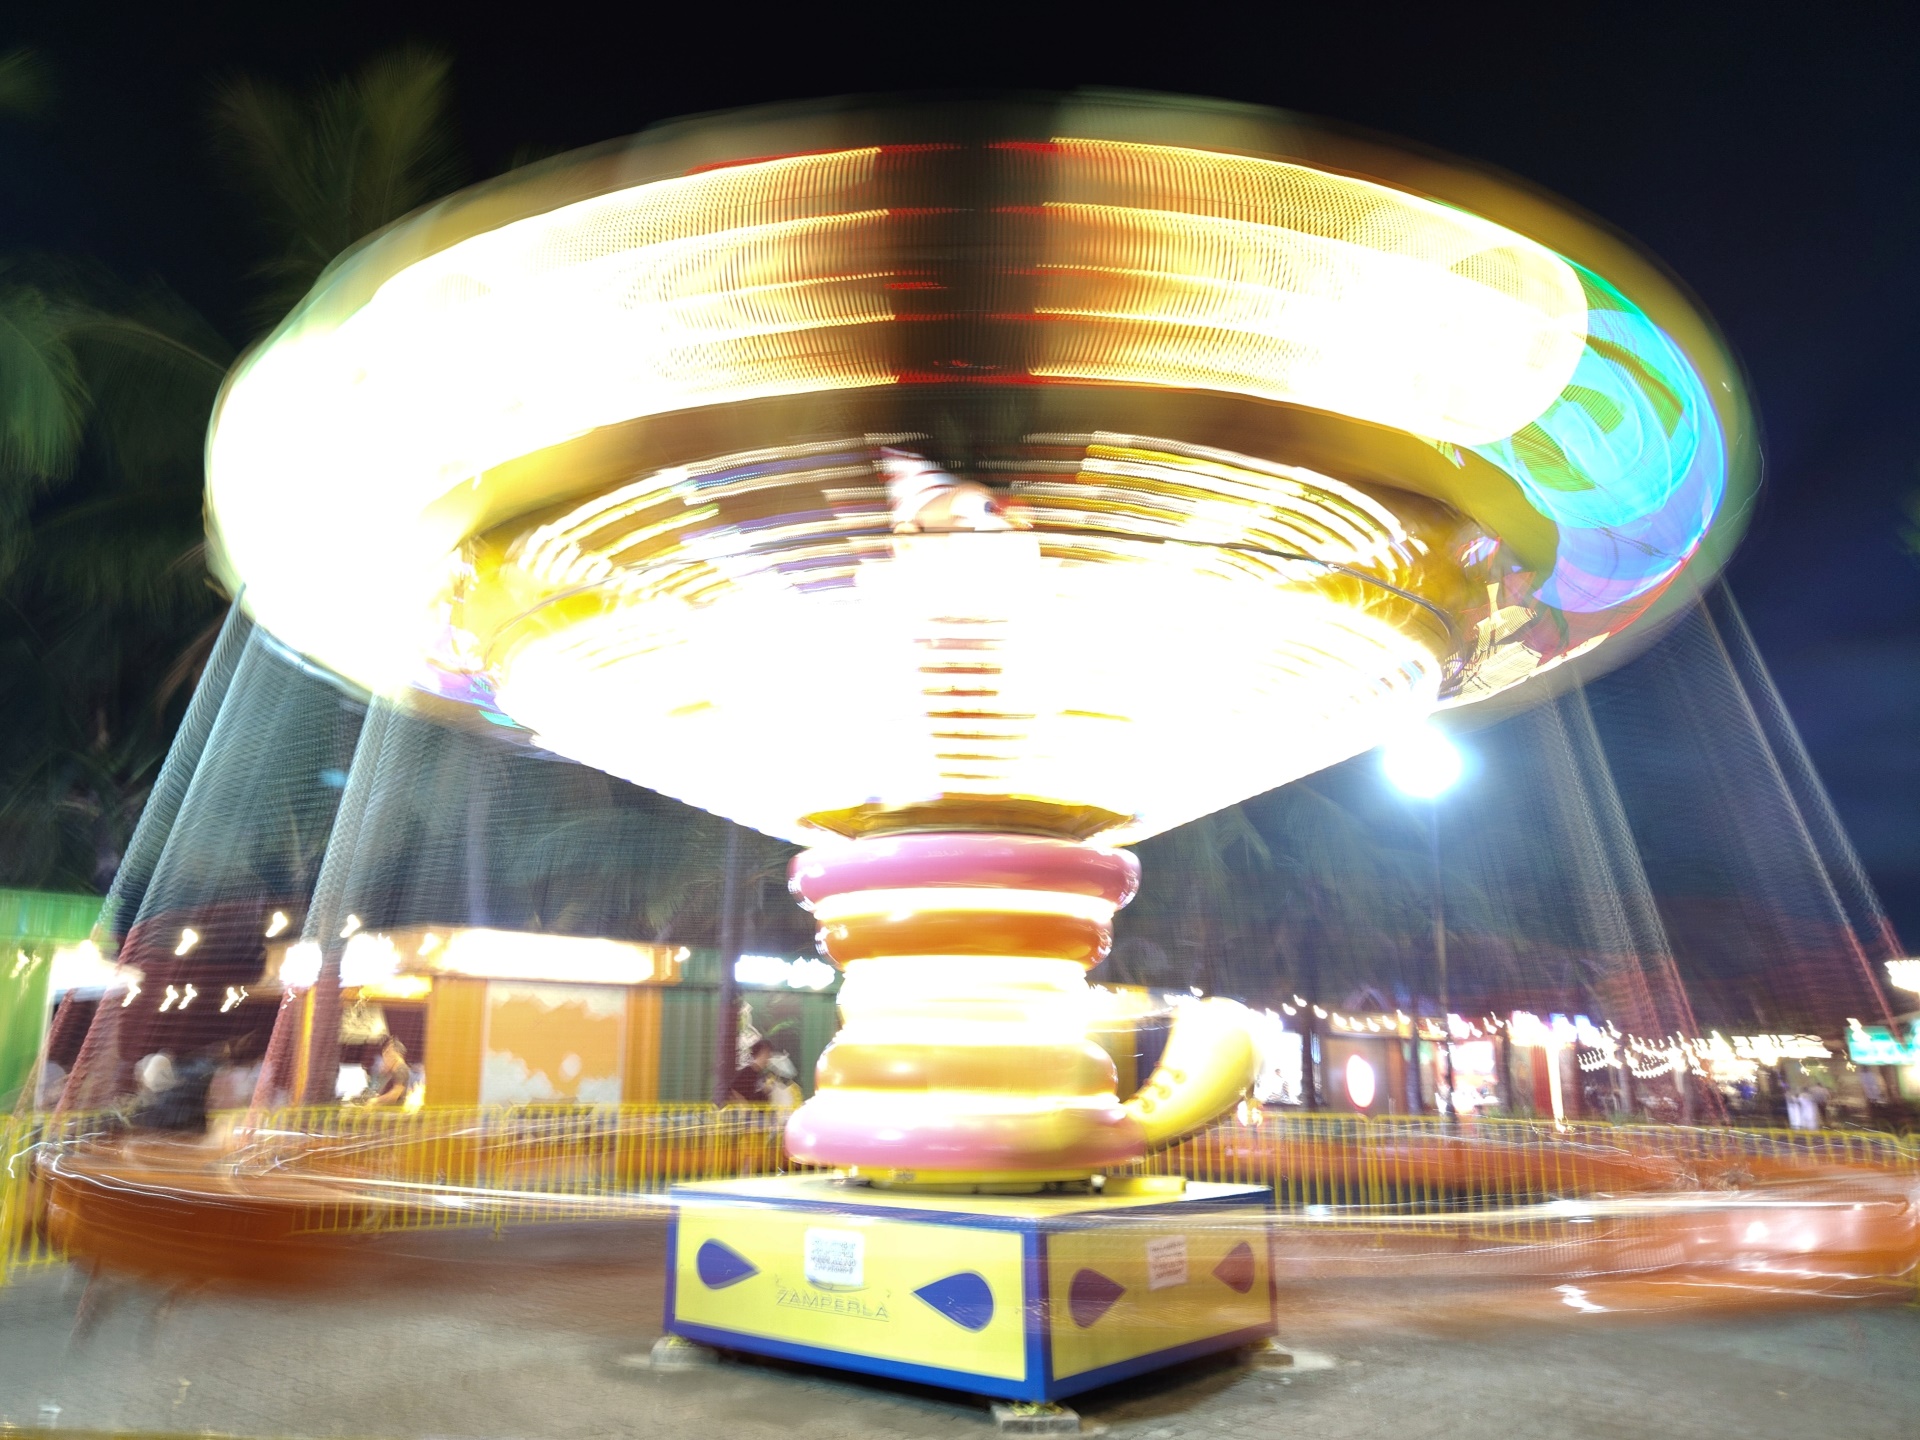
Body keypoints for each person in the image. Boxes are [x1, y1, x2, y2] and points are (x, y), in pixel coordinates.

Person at [363, 1038, 412, 1107]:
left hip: (393, 1112)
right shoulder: (395, 1072)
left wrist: (376, 1100)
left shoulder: (401, 1070)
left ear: (393, 1053)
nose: (385, 1058)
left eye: (387, 1052)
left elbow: (395, 1094)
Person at [730, 1038, 774, 1104]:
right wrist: (745, 1106)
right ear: (760, 1053)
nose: (769, 1057)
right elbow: (733, 1090)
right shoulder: (747, 1072)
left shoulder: (761, 1075)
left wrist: (765, 1091)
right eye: (767, 1053)